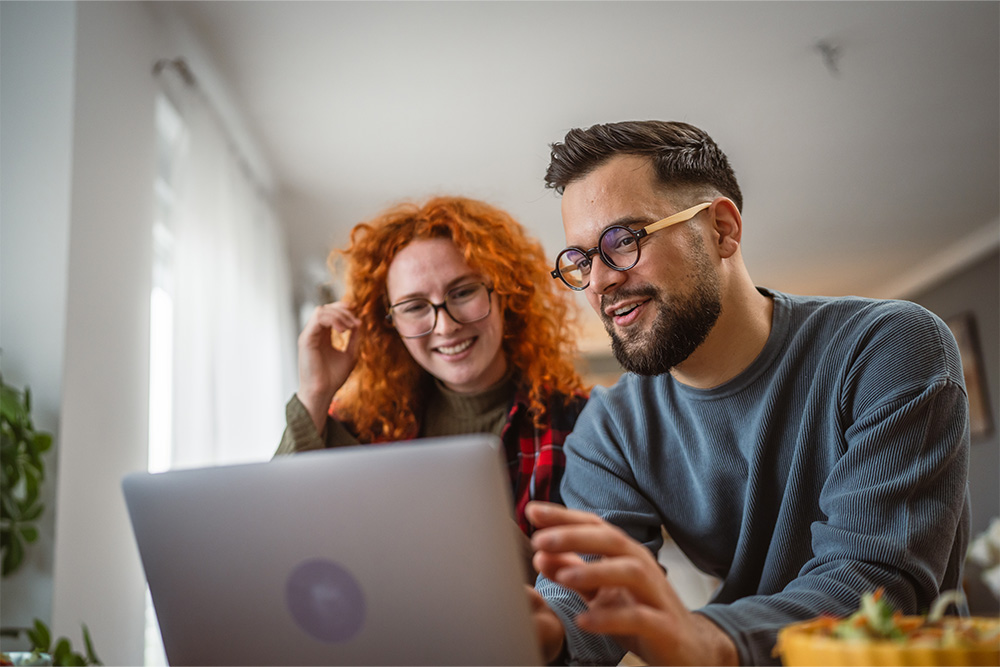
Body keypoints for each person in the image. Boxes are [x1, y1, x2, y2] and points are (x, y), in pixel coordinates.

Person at [525, 120, 971, 665]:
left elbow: (876, 582)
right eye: (580, 260)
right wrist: (543, 631)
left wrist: (708, 640)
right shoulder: (610, 427)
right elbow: (590, 589)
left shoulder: (887, 346)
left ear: (721, 229)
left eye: (623, 241)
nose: (598, 282)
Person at [275, 195, 588, 541]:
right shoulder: (363, 427)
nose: (445, 326)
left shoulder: (579, 422)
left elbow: (588, 579)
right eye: (414, 306)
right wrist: (315, 393)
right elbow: (276, 532)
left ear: (505, 294)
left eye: (463, 292)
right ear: (388, 322)